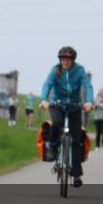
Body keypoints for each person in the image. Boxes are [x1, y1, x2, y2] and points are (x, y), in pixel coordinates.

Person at [40, 47, 94, 187]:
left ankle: (76, 175)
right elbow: (47, 84)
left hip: (75, 106)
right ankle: (52, 146)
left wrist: (89, 101)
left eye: (68, 60)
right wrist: (44, 100)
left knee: (76, 139)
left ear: (73, 61)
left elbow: (87, 86)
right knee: (57, 123)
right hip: (58, 105)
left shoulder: (80, 70)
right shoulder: (55, 70)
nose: (65, 62)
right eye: (63, 59)